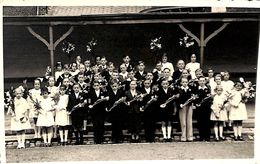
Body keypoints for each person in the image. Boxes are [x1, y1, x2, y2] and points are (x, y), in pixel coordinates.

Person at [176, 77, 195, 142]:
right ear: (181, 83)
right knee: (183, 122)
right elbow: (177, 99)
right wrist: (179, 104)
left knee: (189, 121)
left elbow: (192, 98)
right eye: (183, 82)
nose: (184, 83)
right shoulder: (178, 90)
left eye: (186, 82)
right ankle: (183, 136)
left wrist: (192, 101)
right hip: (182, 107)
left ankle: (190, 136)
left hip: (189, 106)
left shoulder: (190, 89)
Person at [194, 76, 212, 142]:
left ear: (205, 81)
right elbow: (194, 98)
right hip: (199, 108)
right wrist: (196, 104)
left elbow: (210, 99)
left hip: (206, 108)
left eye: (203, 81)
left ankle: (207, 136)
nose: (202, 82)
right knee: (200, 122)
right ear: (198, 82)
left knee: (207, 122)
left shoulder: (207, 89)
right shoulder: (196, 89)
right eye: (200, 81)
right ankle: (201, 136)